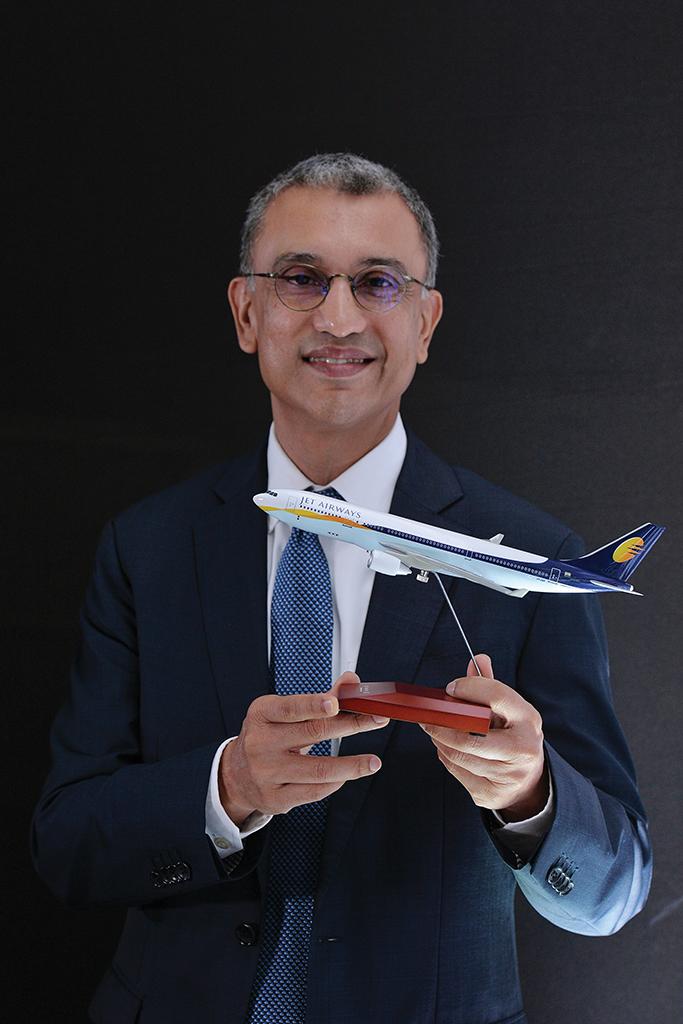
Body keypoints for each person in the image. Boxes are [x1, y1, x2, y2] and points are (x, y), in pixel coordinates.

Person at [32, 153, 651, 1024]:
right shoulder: (146, 547)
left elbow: (615, 889)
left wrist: (528, 794)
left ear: (426, 323)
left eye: (377, 283)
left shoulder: (532, 553)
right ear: (245, 312)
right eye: (301, 278)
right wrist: (227, 787)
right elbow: (66, 846)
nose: (338, 316)